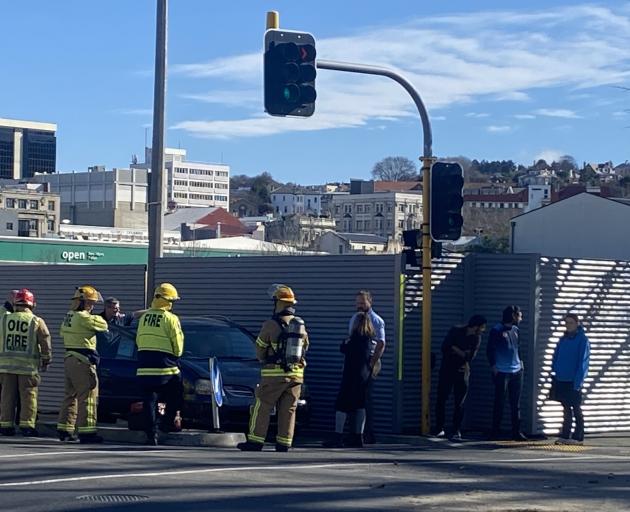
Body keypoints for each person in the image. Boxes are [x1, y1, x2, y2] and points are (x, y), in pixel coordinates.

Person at [238, 284, 309, 452]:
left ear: (277, 303)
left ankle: (255, 441)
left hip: (275, 374)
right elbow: (306, 346)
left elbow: (260, 348)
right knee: (289, 409)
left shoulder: (271, 324)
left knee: (262, 405)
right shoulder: (300, 325)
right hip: (296, 374)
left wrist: (265, 358)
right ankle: (284, 443)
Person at [57, 285, 109, 443]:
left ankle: (65, 429)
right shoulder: (84, 317)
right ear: (82, 302)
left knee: (70, 396)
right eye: (90, 303)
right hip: (82, 361)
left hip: (70, 359)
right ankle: (87, 432)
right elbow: (104, 325)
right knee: (88, 396)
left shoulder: (69, 316)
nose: (92, 306)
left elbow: (62, 333)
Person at [135, 283, 184, 446]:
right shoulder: (171, 318)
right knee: (176, 394)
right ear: (168, 301)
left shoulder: (144, 317)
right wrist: (176, 355)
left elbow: (138, 339)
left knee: (149, 400)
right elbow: (177, 344)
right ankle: (166, 425)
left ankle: (151, 434)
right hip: (165, 366)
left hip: (144, 364)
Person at [0, 289, 51, 437]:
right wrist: (46, 359)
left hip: (5, 367)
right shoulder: (36, 321)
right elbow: (45, 341)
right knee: (28, 397)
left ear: (15, 303)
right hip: (27, 368)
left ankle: (5, 426)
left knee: (6, 397)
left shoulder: (4, 319)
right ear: (32, 304)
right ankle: (27, 426)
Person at [325, 312, 376, 448]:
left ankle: (338, 436)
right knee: (360, 405)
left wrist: (345, 342)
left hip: (351, 376)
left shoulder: (354, 339)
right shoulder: (370, 340)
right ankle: (358, 436)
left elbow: (343, 349)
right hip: (364, 376)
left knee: (342, 405)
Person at [434, 314, 487, 441]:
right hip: (447, 369)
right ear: (475, 326)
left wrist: (455, 348)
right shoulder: (456, 330)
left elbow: (469, 357)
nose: (482, 330)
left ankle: (456, 429)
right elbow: (445, 347)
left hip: (462, 371)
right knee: (441, 398)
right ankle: (439, 427)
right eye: (482, 327)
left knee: (460, 402)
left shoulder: (476, 338)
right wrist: (461, 352)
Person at [487, 305, 528, 441]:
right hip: (502, 371)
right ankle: (495, 431)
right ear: (513, 316)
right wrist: (494, 366)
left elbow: (518, 347)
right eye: (519, 314)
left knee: (515, 403)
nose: (521, 317)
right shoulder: (496, 330)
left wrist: (521, 363)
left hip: (516, 371)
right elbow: (490, 349)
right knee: (499, 401)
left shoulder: (516, 330)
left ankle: (517, 431)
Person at [350, 290, 385, 444]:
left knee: (365, 399)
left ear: (370, 302)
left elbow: (381, 343)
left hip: (368, 362)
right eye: (357, 303)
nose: (359, 305)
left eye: (363, 303)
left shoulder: (376, 320)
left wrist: (372, 363)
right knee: (353, 397)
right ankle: (354, 432)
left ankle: (368, 434)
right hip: (356, 363)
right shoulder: (355, 318)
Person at [552, 313, 590, 445]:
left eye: (571, 323)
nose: (568, 325)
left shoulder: (582, 340)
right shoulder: (563, 339)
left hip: (574, 379)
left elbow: (583, 362)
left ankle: (578, 435)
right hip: (562, 378)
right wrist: (555, 370)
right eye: (566, 323)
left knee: (576, 407)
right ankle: (565, 434)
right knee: (566, 407)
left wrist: (578, 381)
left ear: (577, 324)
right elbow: (556, 355)